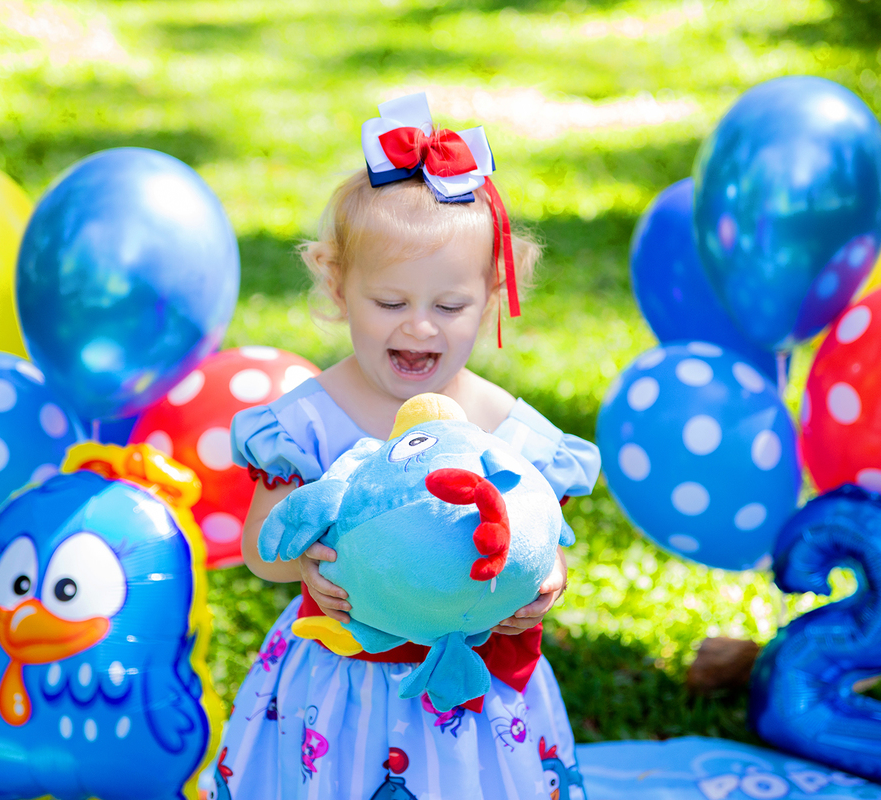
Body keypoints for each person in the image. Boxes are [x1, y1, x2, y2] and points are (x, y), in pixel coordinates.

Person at [218, 93, 600, 800]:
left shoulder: (506, 426)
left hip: (472, 687)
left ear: (489, 297)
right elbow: (257, 547)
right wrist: (306, 565)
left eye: (449, 307)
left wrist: (546, 584)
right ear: (336, 286)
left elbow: (543, 542)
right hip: (340, 683)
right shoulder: (306, 422)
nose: (420, 328)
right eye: (390, 304)